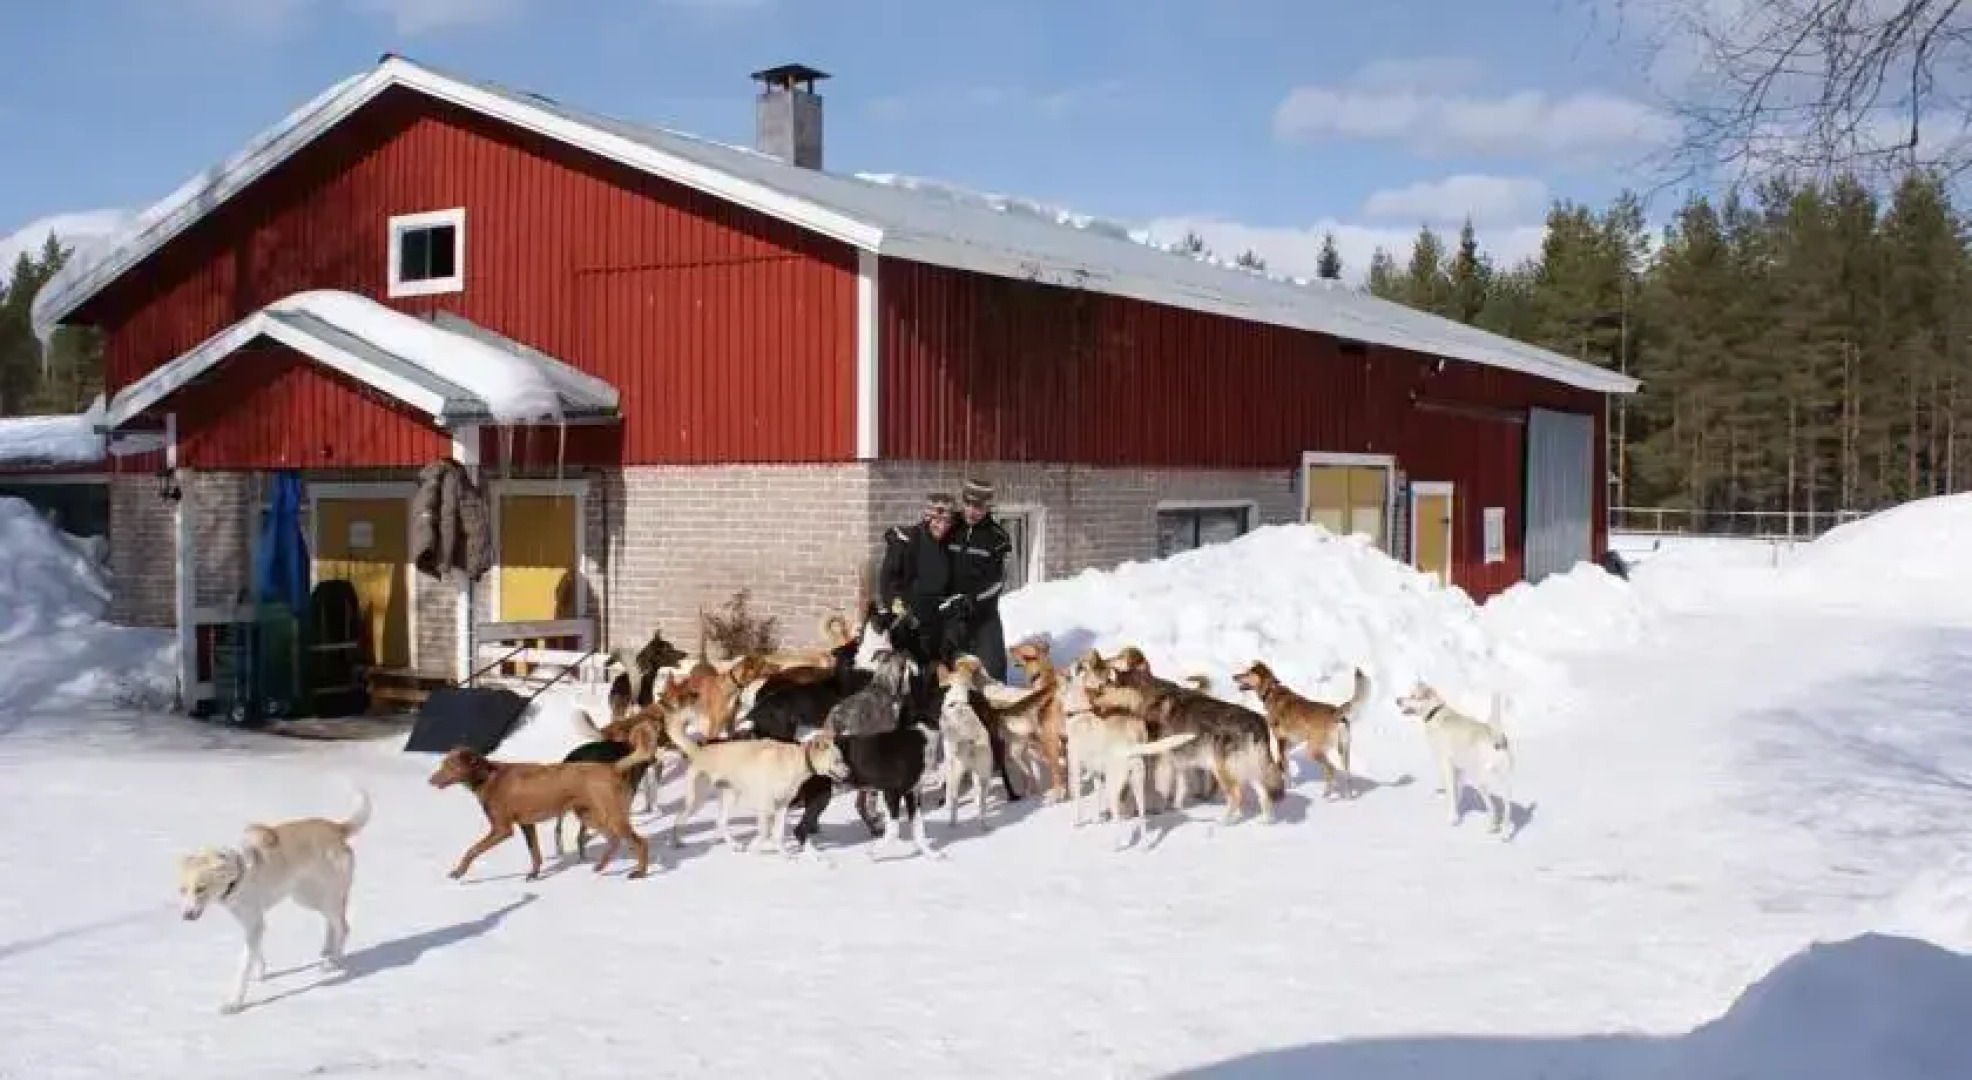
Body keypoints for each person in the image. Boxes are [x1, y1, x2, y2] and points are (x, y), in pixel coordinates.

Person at [944, 478, 1013, 682]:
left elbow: (997, 581)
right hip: (949, 612)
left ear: (988, 506)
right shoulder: (950, 527)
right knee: (943, 672)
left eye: (979, 507)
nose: (972, 511)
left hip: (983, 614)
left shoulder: (998, 538)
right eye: (968, 504)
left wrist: (971, 600)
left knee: (994, 673)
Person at [877, 493, 956, 670]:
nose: (942, 526)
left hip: (937, 626)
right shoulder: (906, 541)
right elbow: (889, 583)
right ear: (927, 518)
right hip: (910, 626)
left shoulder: (948, 545)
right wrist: (901, 611)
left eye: (947, 521)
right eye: (936, 520)